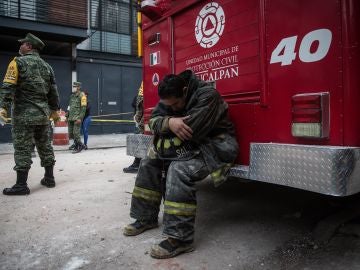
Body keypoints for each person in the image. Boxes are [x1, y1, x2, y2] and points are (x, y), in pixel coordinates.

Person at [123, 70, 239, 259]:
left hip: (214, 147)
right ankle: (146, 217)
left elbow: (190, 129)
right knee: (148, 162)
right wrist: (169, 122)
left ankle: (181, 239)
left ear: (185, 90)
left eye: (176, 104)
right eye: (170, 106)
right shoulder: (171, 95)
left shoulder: (208, 95)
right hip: (187, 145)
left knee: (179, 169)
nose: (174, 108)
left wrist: (167, 125)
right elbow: (152, 122)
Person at [0, 33, 60, 195]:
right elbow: (53, 93)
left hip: (24, 116)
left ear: (29, 47)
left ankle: (21, 185)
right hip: (42, 116)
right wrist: (54, 111)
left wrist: (3, 108)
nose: (20, 46)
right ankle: (49, 178)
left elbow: (8, 87)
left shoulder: (17, 62)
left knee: (22, 148)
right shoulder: (47, 67)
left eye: (23, 44)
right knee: (45, 146)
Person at [123, 81, 144, 173]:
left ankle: (137, 164)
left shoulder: (145, 82)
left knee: (140, 140)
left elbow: (140, 102)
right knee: (141, 140)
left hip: (144, 119)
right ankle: (138, 163)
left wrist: (138, 116)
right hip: (144, 118)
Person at [66, 81, 87, 153]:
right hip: (71, 117)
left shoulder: (82, 95)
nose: (73, 88)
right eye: (73, 86)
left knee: (76, 133)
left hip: (77, 117)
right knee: (71, 133)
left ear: (79, 87)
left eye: (75, 86)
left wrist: (80, 118)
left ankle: (80, 146)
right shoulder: (72, 96)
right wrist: (67, 115)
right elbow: (69, 106)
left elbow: (83, 108)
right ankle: (77, 145)